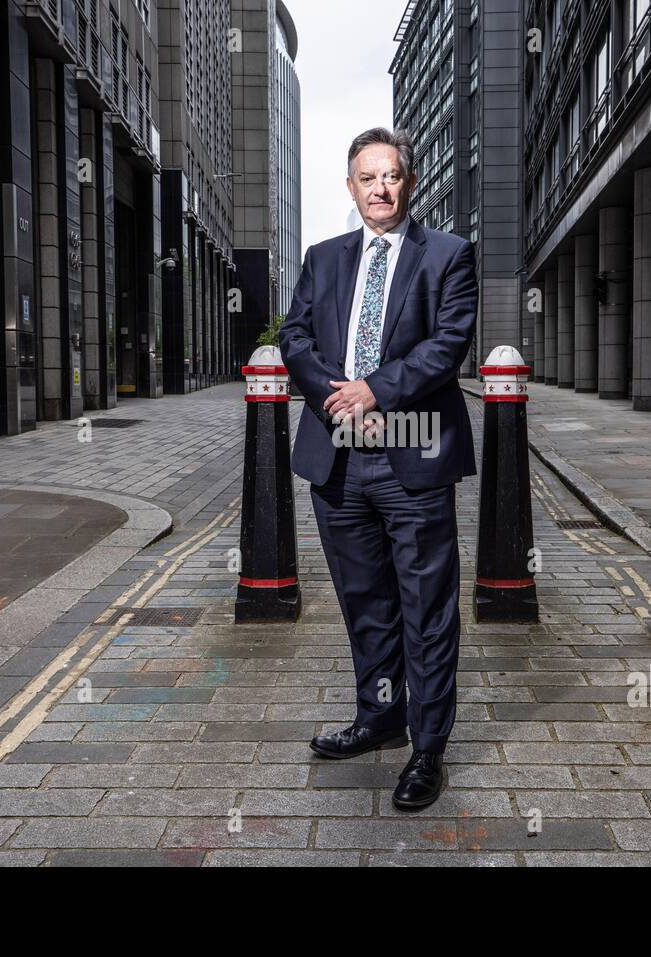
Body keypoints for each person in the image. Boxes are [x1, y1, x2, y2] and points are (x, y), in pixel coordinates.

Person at [278, 127, 478, 810]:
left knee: (427, 609)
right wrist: (337, 396)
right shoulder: (324, 257)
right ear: (351, 186)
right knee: (365, 601)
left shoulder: (448, 255)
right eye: (368, 178)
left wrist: (376, 390)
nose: (380, 189)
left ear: (409, 182)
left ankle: (428, 749)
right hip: (337, 462)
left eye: (391, 176)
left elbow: (448, 345)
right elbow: (294, 335)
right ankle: (379, 716)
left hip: (412, 459)